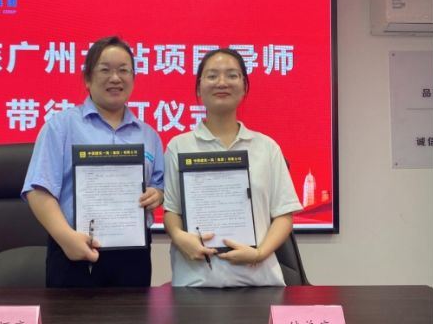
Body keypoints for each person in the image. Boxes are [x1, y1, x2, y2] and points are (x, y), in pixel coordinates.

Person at [22, 36, 164, 288]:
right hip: (73, 251)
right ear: (87, 79)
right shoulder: (61, 126)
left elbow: (159, 186)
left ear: (133, 78)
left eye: (124, 70)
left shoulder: (149, 135)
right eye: (105, 70)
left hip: (134, 255)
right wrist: (66, 239)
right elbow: (38, 190)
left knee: (135, 316)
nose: (115, 78)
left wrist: (157, 195)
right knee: (72, 316)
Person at [163, 48, 302, 287]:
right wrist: (178, 236)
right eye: (212, 75)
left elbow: (283, 214)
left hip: (259, 282)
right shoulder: (179, 146)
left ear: (245, 86)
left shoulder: (267, 147)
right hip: (196, 283)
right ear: (199, 88)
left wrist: (259, 253)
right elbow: (171, 210)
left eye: (232, 75)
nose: (222, 82)